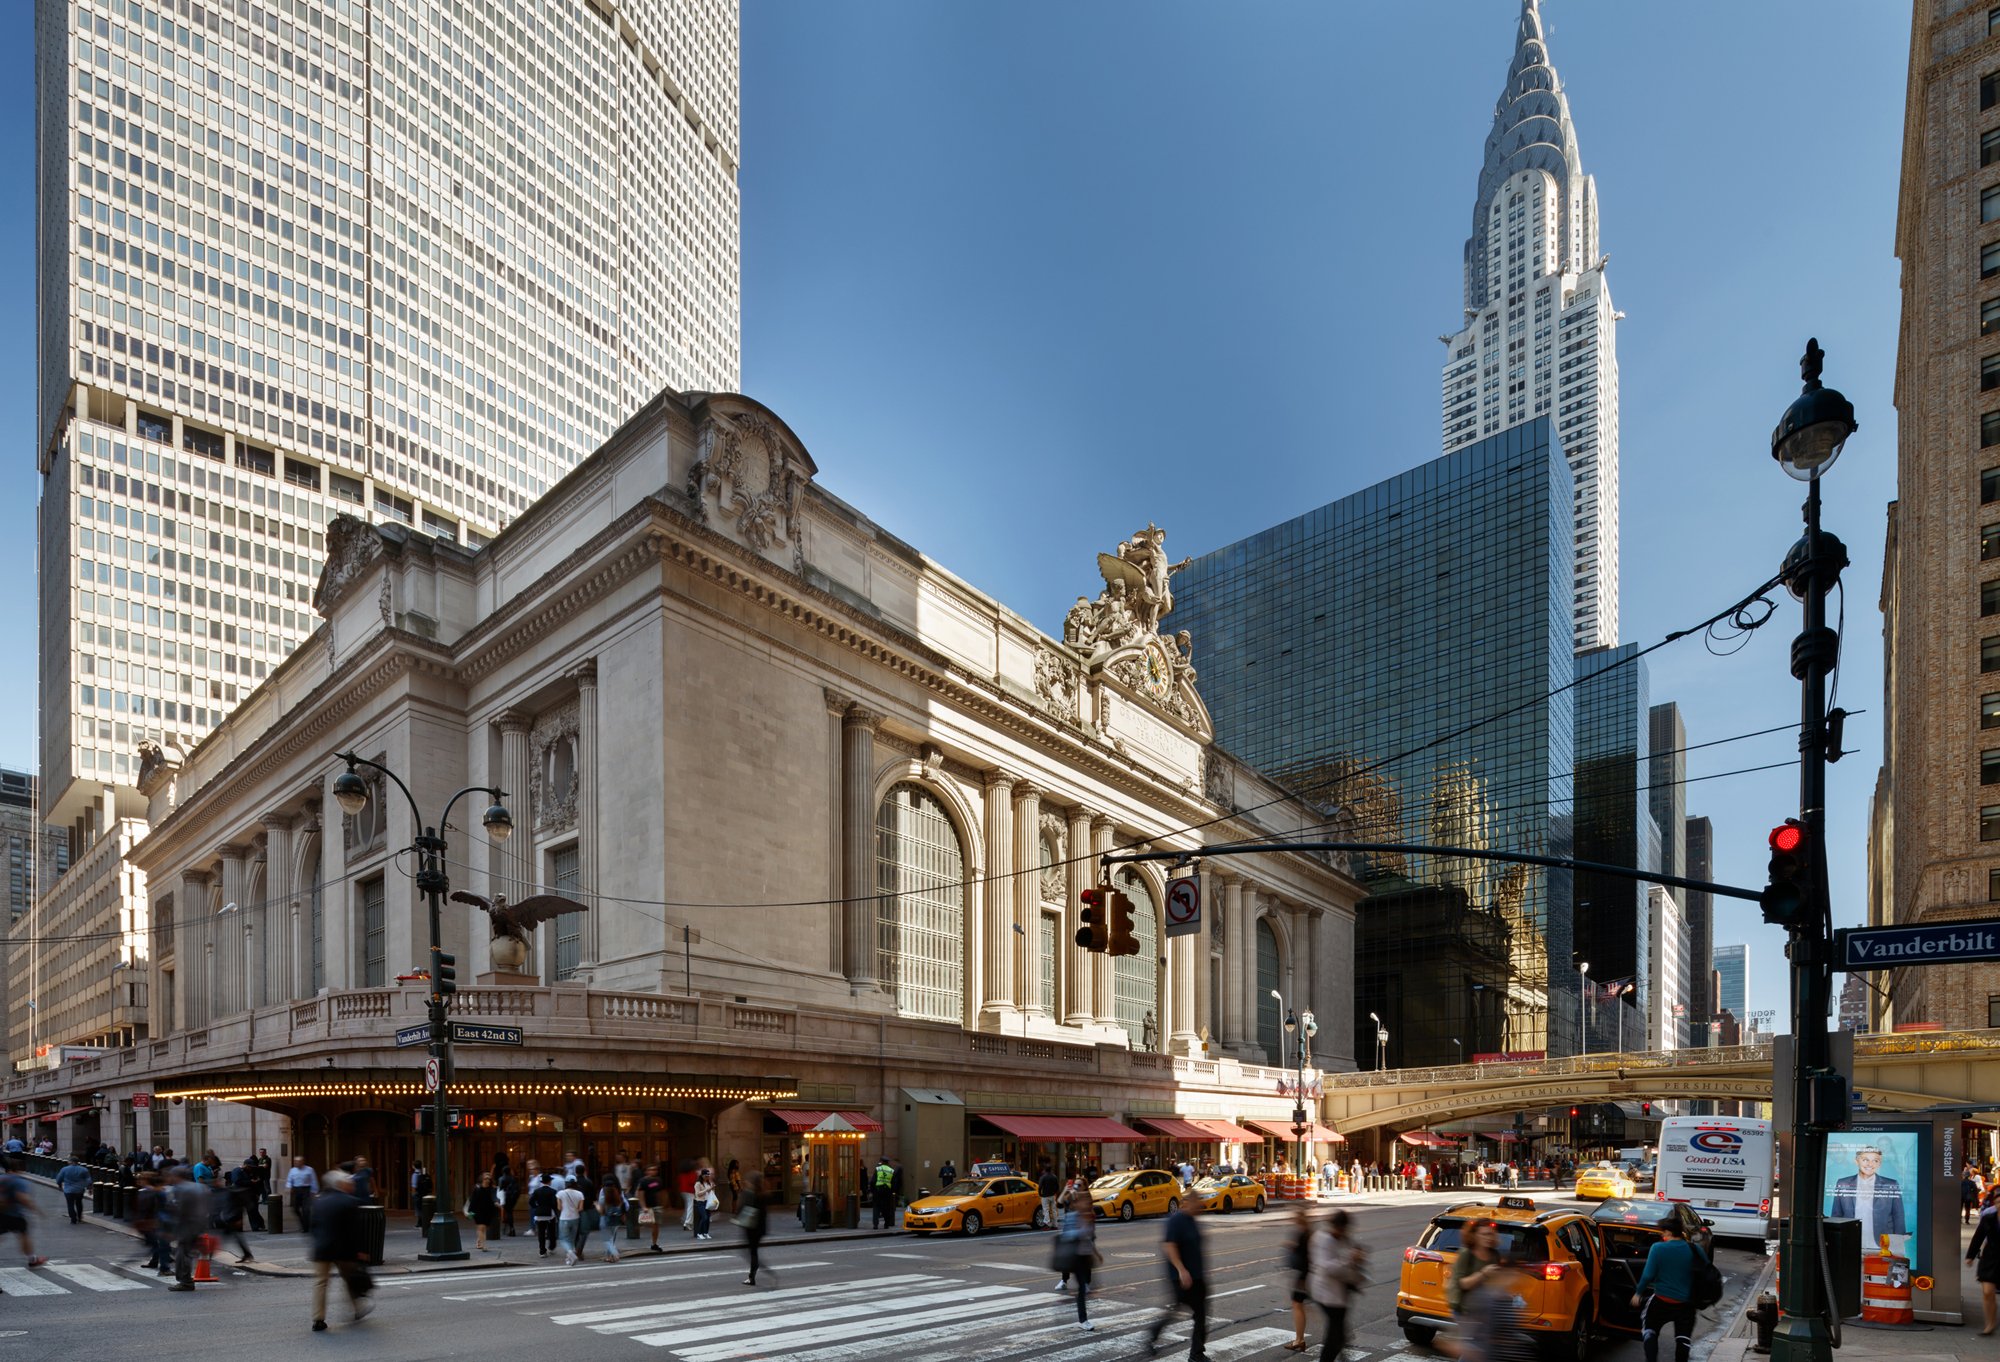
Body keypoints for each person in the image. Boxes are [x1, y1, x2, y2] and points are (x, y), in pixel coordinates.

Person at [1145, 1187, 1209, 1360]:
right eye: (1197, 1203)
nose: (1199, 1207)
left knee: (1198, 1314)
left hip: (1196, 1277)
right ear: (1187, 1203)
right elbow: (1169, 1245)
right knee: (1187, 1312)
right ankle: (1195, 1354)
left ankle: (1196, 1353)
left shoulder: (1193, 1219)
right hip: (1182, 1278)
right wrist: (1181, 1270)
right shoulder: (1177, 1220)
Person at [308, 1169, 373, 1331]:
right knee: (350, 1279)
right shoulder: (350, 1201)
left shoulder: (318, 1201)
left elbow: (311, 1226)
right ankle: (357, 1308)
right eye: (349, 1183)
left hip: (322, 1248)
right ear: (341, 1184)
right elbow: (356, 1230)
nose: (352, 1185)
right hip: (344, 1250)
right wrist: (361, 1250)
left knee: (321, 1283)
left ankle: (318, 1318)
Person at [1632, 1220, 1704, 1362]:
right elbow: (1705, 1272)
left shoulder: (1658, 1248)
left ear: (1669, 1232)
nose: (1662, 1235)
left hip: (1661, 1300)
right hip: (1686, 1303)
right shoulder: (1695, 1249)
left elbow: (1648, 1275)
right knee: (1683, 1338)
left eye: (1663, 1232)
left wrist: (1638, 1293)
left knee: (1649, 1329)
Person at [1309, 1208, 1365, 1362]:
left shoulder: (1344, 1239)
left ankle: (1340, 1352)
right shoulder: (1323, 1239)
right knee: (1335, 1336)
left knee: (1337, 1333)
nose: (1342, 1231)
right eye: (1340, 1228)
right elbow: (1327, 1267)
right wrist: (1350, 1258)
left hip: (1340, 1294)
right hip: (1327, 1295)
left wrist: (1356, 1261)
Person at [1828, 1144, 1908, 1250]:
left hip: (1882, 1245)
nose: (1870, 1164)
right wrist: (1836, 1241)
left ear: (1879, 1164)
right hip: (1850, 1242)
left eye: (1875, 1160)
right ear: (1856, 1161)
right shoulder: (1843, 1183)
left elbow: (1898, 1215)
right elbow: (1837, 1214)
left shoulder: (1891, 1184)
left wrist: (1897, 1245)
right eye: (1865, 1159)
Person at [162, 1165, 211, 1291]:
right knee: (187, 1252)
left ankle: (185, 1281)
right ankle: (186, 1279)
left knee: (182, 1254)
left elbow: (179, 1209)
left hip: (186, 1225)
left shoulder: (180, 1189)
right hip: (200, 1224)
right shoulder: (201, 1187)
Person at [1061, 1193, 1101, 1331]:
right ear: (1077, 1204)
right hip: (1075, 1257)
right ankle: (1083, 1320)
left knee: (1089, 1286)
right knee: (1082, 1288)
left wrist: (1096, 1253)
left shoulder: (1090, 1217)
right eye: (1083, 1202)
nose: (1086, 1205)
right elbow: (1065, 1235)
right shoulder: (1072, 1217)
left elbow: (1091, 1237)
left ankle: (1081, 1314)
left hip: (1086, 1256)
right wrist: (1080, 1233)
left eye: (1088, 1202)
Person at [0, 1157, 46, 1268]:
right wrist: (36, 1210)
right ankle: (32, 1259)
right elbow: (22, 1198)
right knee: (23, 1235)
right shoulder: (18, 1181)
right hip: (14, 1215)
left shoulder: (1, 1178)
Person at [1966, 1184, 2000, 1336]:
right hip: (1990, 1260)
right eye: (1998, 1202)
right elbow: (1978, 1237)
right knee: (1987, 1292)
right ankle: (1990, 1323)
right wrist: (1970, 1256)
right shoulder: (1988, 1218)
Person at [1283, 1203, 1314, 1352]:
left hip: (1302, 1275)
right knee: (1299, 1305)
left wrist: (1292, 1246)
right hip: (1304, 1274)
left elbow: (1305, 1256)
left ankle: (1299, 1340)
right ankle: (1299, 1339)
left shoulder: (1304, 1233)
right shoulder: (1306, 1231)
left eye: (1294, 1215)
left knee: (1298, 1305)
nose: (1292, 1218)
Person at [739, 1170, 772, 1286]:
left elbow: (744, 1208)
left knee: (751, 1252)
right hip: (760, 1227)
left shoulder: (750, 1194)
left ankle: (755, 1274)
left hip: (751, 1227)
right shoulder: (764, 1193)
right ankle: (753, 1274)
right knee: (753, 1251)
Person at [556, 1174, 587, 1266]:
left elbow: (559, 1208)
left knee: (563, 1239)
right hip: (575, 1218)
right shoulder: (580, 1194)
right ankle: (569, 1259)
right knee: (572, 1239)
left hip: (564, 1218)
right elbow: (581, 1208)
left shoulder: (560, 1193)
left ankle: (571, 1253)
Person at [529, 1173, 559, 1257]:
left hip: (539, 1214)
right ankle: (551, 1247)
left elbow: (531, 1201)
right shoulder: (553, 1191)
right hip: (550, 1214)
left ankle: (542, 1251)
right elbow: (554, 1203)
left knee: (541, 1233)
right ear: (549, 1181)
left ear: (542, 1182)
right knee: (551, 1232)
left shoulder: (537, 1191)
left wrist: (536, 1207)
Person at [57, 1155, 92, 1225]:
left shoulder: (64, 1169)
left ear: (71, 1161)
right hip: (79, 1190)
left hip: (68, 1190)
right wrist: (90, 1188)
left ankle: (73, 1219)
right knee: (79, 1203)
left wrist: (60, 1186)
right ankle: (79, 1217)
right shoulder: (84, 1169)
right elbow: (88, 1180)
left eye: (69, 1160)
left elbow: (59, 1179)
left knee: (70, 1204)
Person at [639, 1163, 667, 1253]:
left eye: (655, 1169)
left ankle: (654, 1243)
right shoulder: (643, 1181)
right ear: (647, 1171)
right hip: (648, 1206)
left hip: (656, 1205)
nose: (653, 1171)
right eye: (651, 1169)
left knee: (656, 1225)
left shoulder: (658, 1180)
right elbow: (640, 1194)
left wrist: (664, 1203)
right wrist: (643, 1206)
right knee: (643, 1223)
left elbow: (661, 1192)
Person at [287, 1156, 319, 1232]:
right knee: (295, 1209)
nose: (296, 1163)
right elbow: (289, 1180)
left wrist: (314, 1191)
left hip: (306, 1190)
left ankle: (305, 1227)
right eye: (295, 1162)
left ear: (302, 1162)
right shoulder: (292, 1170)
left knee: (306, 1210)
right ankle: (303, 1222)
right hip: (296, 1190)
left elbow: (313, 1181)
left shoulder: (309, 1170)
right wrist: (289, 1187)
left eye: (298, 1161)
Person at [598, 1178, 626, 1262]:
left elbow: (601, 1211)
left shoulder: (603, 1198)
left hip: (605, 1219)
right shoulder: (618, 1197)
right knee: (611, 1239)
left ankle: (615, 1253)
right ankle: (609, 1257)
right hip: (615, 1220)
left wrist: (596, 1206)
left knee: (606, 1240)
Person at [469, 1171, 499, 1252]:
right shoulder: (477, 1188)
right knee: (481, 1227)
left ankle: (479, 1242)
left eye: (489, 1179)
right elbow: (472, 1200)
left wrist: (496, 1202)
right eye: (486, 1178)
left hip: (488, 1211)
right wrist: (470, 1211)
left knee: (484, 1228)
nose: (487, 1180)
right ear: (482, 1179)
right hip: (478, 1211)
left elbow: (494, 1197)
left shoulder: (492, 1188)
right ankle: (483, 1245)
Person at [692, 1166, 715, 1241]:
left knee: (708, 1218)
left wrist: (712, 1189)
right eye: (705, 1176)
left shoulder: (709, 1183)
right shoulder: (698, 1184)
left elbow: (710, 1192)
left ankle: (705, 1233)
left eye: (708, 1176)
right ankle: (699, 1233)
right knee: (704, 1217)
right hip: (700, 1202)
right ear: (702, 1176)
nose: (707, 1177)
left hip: (707, 1202)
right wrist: (708, 1189)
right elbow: (698, 1194)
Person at [872, 1156, 895, 1229]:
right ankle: (886, 1224)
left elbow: (873, 1181)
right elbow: (894, 1182)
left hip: (878, 1190)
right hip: (887, 1191)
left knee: (876, 1207)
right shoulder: (891, 1170)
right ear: (887, 1162)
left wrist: (872, 1191)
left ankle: (875, 1225)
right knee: (886, 1207)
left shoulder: (878, 1169)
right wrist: (892, 1192)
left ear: (881, 1161)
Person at [413, 1162, 434, 1235]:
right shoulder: (424, 1175)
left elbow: (414, 1186)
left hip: (418, 1194)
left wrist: (413, 1194)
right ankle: (421, 1221)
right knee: (421, 1208)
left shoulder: (415, 1175)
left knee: (418, 1208)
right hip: (425, 1194)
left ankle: (420, 1222)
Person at [1038, 1163, 1061, 1231]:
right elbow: (1057, 1186)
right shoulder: (1054, 1176)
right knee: (1053, 1210)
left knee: (1046, 1210)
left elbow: (1040, 1187)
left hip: (1045, 1196)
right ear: (1051, 1169)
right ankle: (1055, 1225)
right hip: (1052, 1195)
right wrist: (1055, 1193)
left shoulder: (1043, 1177)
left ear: (1045, 1170)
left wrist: (1040, 1194)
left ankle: (1047, 1224)